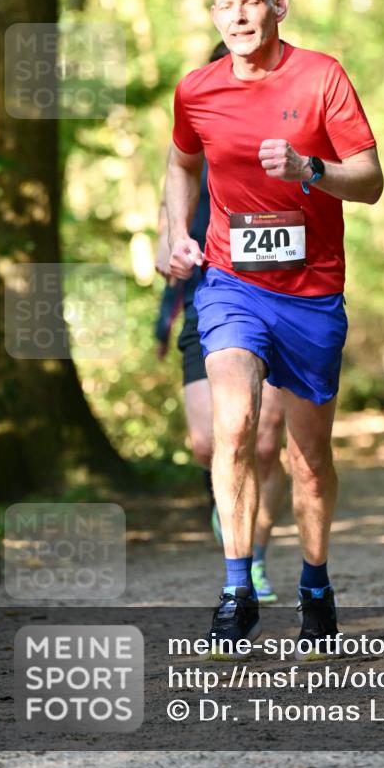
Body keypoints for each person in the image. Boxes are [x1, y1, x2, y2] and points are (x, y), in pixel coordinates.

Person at [165, 0, 383, 657]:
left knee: (308, 457)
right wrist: (174, 235)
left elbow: (370, 180)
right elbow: (181, 163)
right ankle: (237, 591)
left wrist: (309, 169)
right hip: (232, 284)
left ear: (277, 6)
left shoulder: (321, 77)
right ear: (213, 14)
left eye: (250, 2)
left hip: (312, 292)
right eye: (225, 5)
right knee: (232, 427)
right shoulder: (196, 90)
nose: (237, 16)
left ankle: (315, 584)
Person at [155, 42, 287, 604]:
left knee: (265, 440)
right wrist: (173, 252)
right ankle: (228, 501)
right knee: (210, 443)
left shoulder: (287, 140)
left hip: (279, 303)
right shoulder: (192, 150)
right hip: (205, 301)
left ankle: (253, 560)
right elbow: (165, 241)